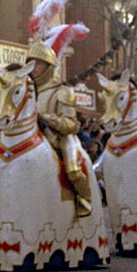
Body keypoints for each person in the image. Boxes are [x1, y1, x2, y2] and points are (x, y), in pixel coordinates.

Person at [26, 37, 93, 217]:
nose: (33, 68)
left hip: (59, 139)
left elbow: (70, 125)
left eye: (38, 64)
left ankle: (84, 200)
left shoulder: (62, 90)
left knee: (73, 169)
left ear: (49, 66)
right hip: (30, 139)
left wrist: (47, 119)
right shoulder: (25, 90)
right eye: (30, 64)